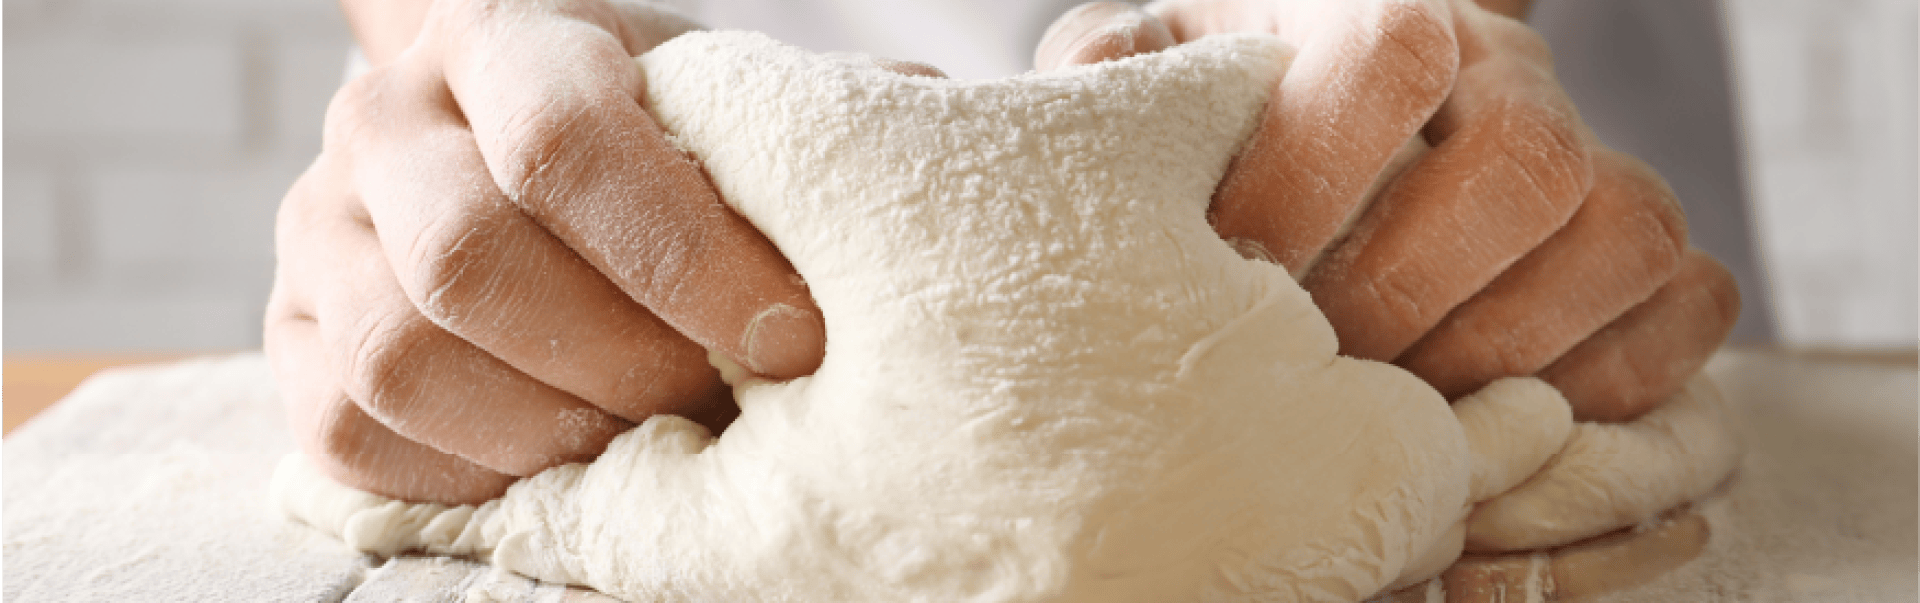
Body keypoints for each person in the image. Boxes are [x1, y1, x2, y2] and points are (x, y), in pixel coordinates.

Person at [266, 0, 1738, 595]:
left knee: (1528, 304)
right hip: (571, 238)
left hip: (1453, 237)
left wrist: (1411, 29)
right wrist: (482, 36)